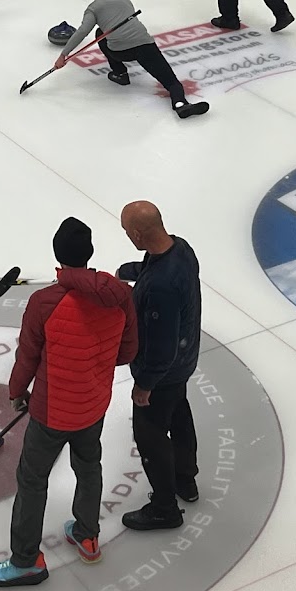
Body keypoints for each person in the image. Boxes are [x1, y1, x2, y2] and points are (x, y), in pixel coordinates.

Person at [0, 217, 138, 588]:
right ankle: (87, 536)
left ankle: (25, 561)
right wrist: (93, 363)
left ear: (58, 254)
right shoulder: (120, 295)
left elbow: (27, 357)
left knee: (32, 480)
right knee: (89, 467)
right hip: (94, 404)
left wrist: (16, 392)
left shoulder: (44, 302)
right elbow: (128, 351)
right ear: (89, 254)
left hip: (51, 412)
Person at [117, 201, 201, 531]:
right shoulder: (180, 248)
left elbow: (162, 346)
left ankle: (165, 507)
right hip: (184, 363)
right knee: (179, 415)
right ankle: (185, 480)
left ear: (138, 233)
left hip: (164, 372)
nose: (127, 236)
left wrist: (145, 385)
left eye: (127, 232)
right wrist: (132, 272)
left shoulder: (161, 288)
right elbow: (157, 267)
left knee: (150, 434)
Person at [54, 0, 209, 120]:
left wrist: (63, 55)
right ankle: (180, 103)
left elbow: (82, 31)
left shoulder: (93, 8)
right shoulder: (126, 1)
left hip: (121, 51)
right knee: (171, 81)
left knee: (100, 34)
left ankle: (120, 74)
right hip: (146, 45)